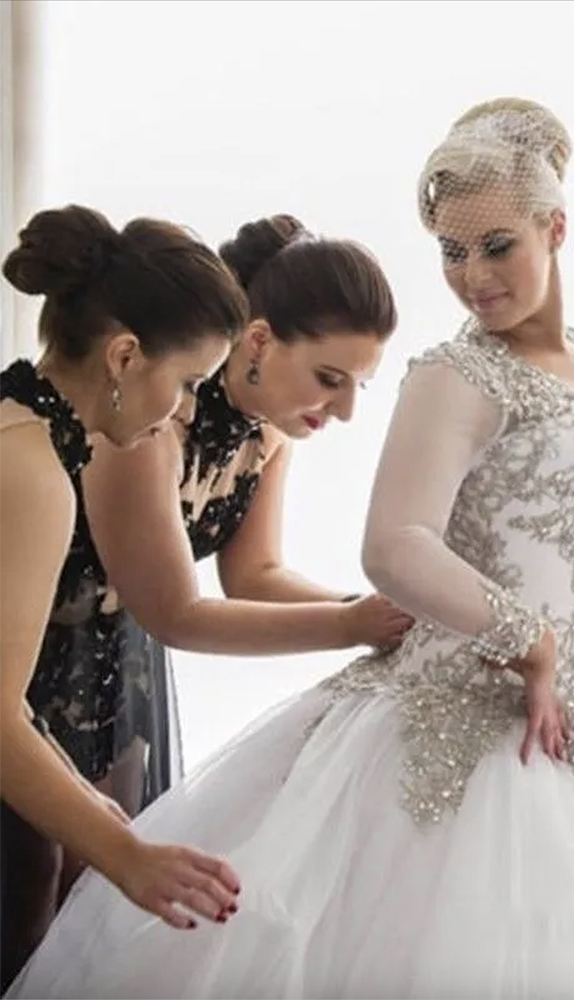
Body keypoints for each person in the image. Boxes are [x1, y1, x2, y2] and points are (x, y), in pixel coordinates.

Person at [5, 102, 574, 1000]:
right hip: (475, 700)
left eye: (497, 246)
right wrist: (507, 636)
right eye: (451, 251)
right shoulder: (452, 374)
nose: (471, 274)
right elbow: (387, 546)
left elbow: (276, 570)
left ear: (556, 228)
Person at [49, 213, 411, 843]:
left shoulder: (269, 434)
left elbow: (254, 575)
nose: (346, 410)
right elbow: (176, 614)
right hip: (39, 651)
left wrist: (369, 609)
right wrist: (348, 627)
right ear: (260, 341)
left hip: (126, 665)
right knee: (37, 883)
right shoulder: (148, 420)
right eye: (330, 380)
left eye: (358, 386)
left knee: (103, 879)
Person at [0, 205, 246, 992]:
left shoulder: (19, 433)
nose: (182, 411)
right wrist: (127, 858)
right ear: (125, 355)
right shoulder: (34, 472)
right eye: (187, 383)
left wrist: (83, 807)